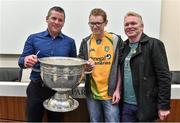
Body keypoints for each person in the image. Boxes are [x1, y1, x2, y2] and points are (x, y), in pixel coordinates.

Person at [18, 6, 77, 122]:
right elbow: (20, 61)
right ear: (47, 19)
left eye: (60, 20)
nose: (56, 22)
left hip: (59, 92)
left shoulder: (70, 42)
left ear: (64, 23)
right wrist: (25, 61)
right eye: (53, 18)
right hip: (36, 89)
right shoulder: (33, 38)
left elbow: (73, 67)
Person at [119, 11, 171, 122]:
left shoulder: (154, 44)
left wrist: (164, 106)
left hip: (145, 106)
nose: (130, 27)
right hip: (126, 106)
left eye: (133, 23)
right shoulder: (123, 47)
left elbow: (164, 77)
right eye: (126, 24)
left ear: (142, 26)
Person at [78, 8, 123, 122]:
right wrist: (85, 67)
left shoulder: (115, 40)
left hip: (110, 94)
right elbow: (79, 67)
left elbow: (121, 67)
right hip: (92, 95)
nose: (95, 26)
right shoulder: (85, 42)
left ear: (106, 23)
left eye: (98, 23)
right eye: (92, 23)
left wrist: (118, 90)